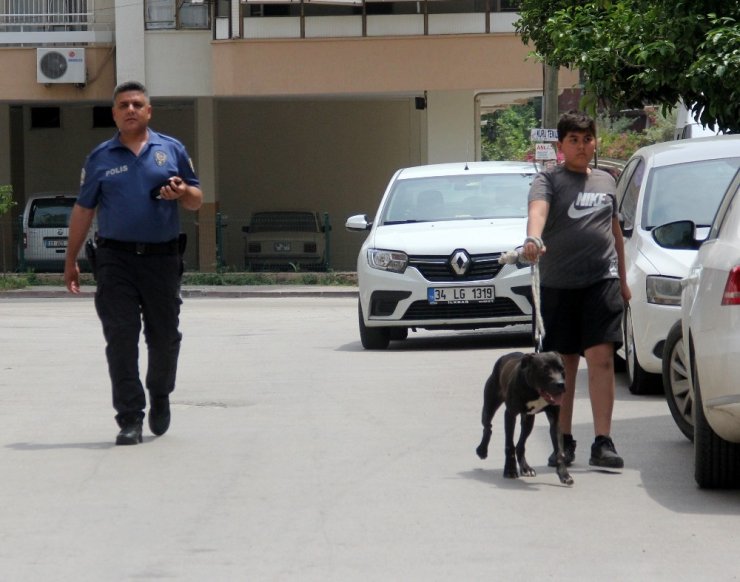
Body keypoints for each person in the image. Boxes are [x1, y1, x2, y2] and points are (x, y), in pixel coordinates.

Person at [64, 81, 203, 445]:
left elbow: (196, 200)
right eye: (123, 105)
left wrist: (182, 192)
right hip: (115, 260)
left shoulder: (171, 150)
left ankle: (160, 392)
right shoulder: (100, 158)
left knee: (164, 336)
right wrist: (70, 259)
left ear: (148, 111)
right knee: (120, 337)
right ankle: (129, 417)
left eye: (137, 104)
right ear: (114, 113)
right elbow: (84, 209)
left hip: (162, 259)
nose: (130, 109)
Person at [522, 110, 631, 469]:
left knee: (601, 359)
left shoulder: (607, 181)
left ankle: (603, 442)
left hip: (602, 281)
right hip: (559, 286)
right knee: (563, 367)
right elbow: (538, 212)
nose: (582, 146)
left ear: (595, 142)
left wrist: (624, 281)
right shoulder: (548, 179)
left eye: (587, 139)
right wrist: (533, 238)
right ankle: (563, 440)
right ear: (561, 145)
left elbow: (615, 232)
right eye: (574, 140)